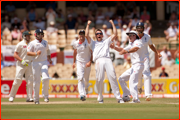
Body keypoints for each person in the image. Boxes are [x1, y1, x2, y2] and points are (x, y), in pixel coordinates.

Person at [85, 20, 124, 103]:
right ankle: (100, 97)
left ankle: (118, 98)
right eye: (97, 34)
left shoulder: (106, 41)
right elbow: (86, 35)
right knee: (99, 79)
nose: (99, 35)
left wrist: (113, 24)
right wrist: (88, 25)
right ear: (95, 36)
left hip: (107, 59)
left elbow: (115, 34)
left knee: (113, 77)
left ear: (102, 35)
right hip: (99, 60)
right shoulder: (93, 43)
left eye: (100, 33)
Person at [110, 30, 145, 103]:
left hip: (139, 64)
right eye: (128, 35)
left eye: (131, 35)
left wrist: (127, 52)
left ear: (135, 35)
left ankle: (136, 99)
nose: (129, 36)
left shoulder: (138, 42)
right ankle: (126, 95)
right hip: (134, 66)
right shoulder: (131, 43)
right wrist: (114, 47)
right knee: (121, 79)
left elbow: (135, 49)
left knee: (132, 81)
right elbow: (123, 49)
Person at [136, 22, 162, 101]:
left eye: (141, 27)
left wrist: (157, 52)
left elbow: (151, 46)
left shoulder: (147, 36)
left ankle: (148, 95)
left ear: (143, 28)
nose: (140, 29)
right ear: (136, 28)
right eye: (138, 27)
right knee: (138, 75)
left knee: (147, 73)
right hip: (136, 59)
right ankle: (139, 87)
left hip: (145, 58)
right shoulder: (133, 36)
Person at [27, 29, 52, 104]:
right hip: (35, 63)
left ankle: (45, 96)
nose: (40, 35)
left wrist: (49, 58)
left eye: (41, 34)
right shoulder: (32, 43)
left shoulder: (45, 42)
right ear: (35, 35)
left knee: (46, 78)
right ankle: (36, 99)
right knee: (37, 81)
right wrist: (35, 53)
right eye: (39, 34)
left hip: (44, 62)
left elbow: (48, 51)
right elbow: (28, 53)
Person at [9, 31, 33, 102]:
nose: (29, 37)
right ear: (24, 36)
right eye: (27, 35)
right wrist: (22, 60)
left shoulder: (31, 44)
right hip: (21, 64)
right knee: (18, 80)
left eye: (29, 35)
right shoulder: (20, 44)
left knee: (30, 81)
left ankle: (29, 97)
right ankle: (12, 96)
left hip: (29, 64)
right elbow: (15, 55)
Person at [73, 30, 92, 101]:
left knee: (86, 79)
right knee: (80, 78)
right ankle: (82, 94)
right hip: (79, 62)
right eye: (80, 34)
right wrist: (74, 62)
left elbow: (91, 52)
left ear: (84, 35)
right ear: (78, 35)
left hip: (87, 62)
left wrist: (90, 61)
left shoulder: (88, 42)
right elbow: (75, 52)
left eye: (82, 34)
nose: (81, 35)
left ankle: (85, 89)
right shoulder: (76, 43)